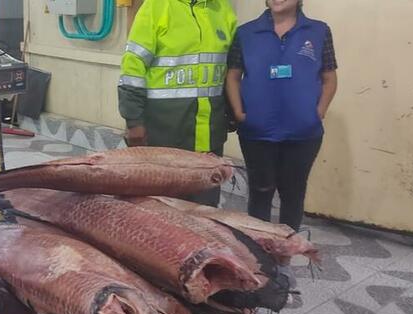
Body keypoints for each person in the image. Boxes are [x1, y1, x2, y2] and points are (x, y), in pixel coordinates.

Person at [226, 0, 338, 231]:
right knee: (260, 191)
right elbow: (233, 76)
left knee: (294, 193)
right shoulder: (246, 33)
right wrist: (239, 112)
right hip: (257, 132)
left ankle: (285, 251)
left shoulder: (318, 31)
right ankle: (259, 251)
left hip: (303, 133)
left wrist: (318, 112)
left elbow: (329, 77)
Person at [118, 0, 237, 207]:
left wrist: (232, 113)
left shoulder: (222, 9)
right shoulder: (156, 7)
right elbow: (132, 69)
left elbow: (231, 70)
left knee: (205, 214)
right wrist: (134, 120)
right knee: (162, 210)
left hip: (210, 137)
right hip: (166, 134)